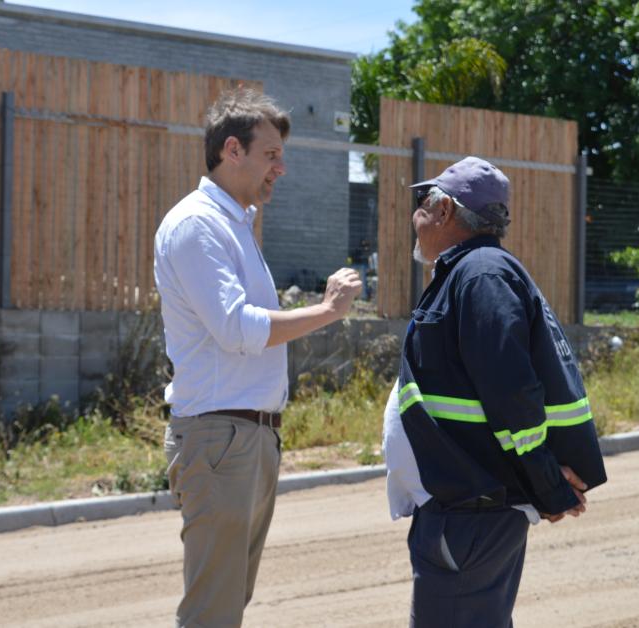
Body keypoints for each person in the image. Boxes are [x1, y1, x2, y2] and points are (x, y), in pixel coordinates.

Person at [154, 87, 362, 627]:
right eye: (271, 155)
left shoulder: (231, 225)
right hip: (223, 439)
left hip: (245, 438)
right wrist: (327, 310)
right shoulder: (199, 225)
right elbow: (236, 328)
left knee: (226, 606)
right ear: (232, 150)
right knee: (212, 613)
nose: (281, 169)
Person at [381, 156, 608, 627]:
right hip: (465, 512)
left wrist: (547, 485)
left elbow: (511, 392)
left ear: (445, 211)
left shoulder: (481, 274)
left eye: (423, 202)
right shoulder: (474, 271)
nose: (414, 214)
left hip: (472, 515)